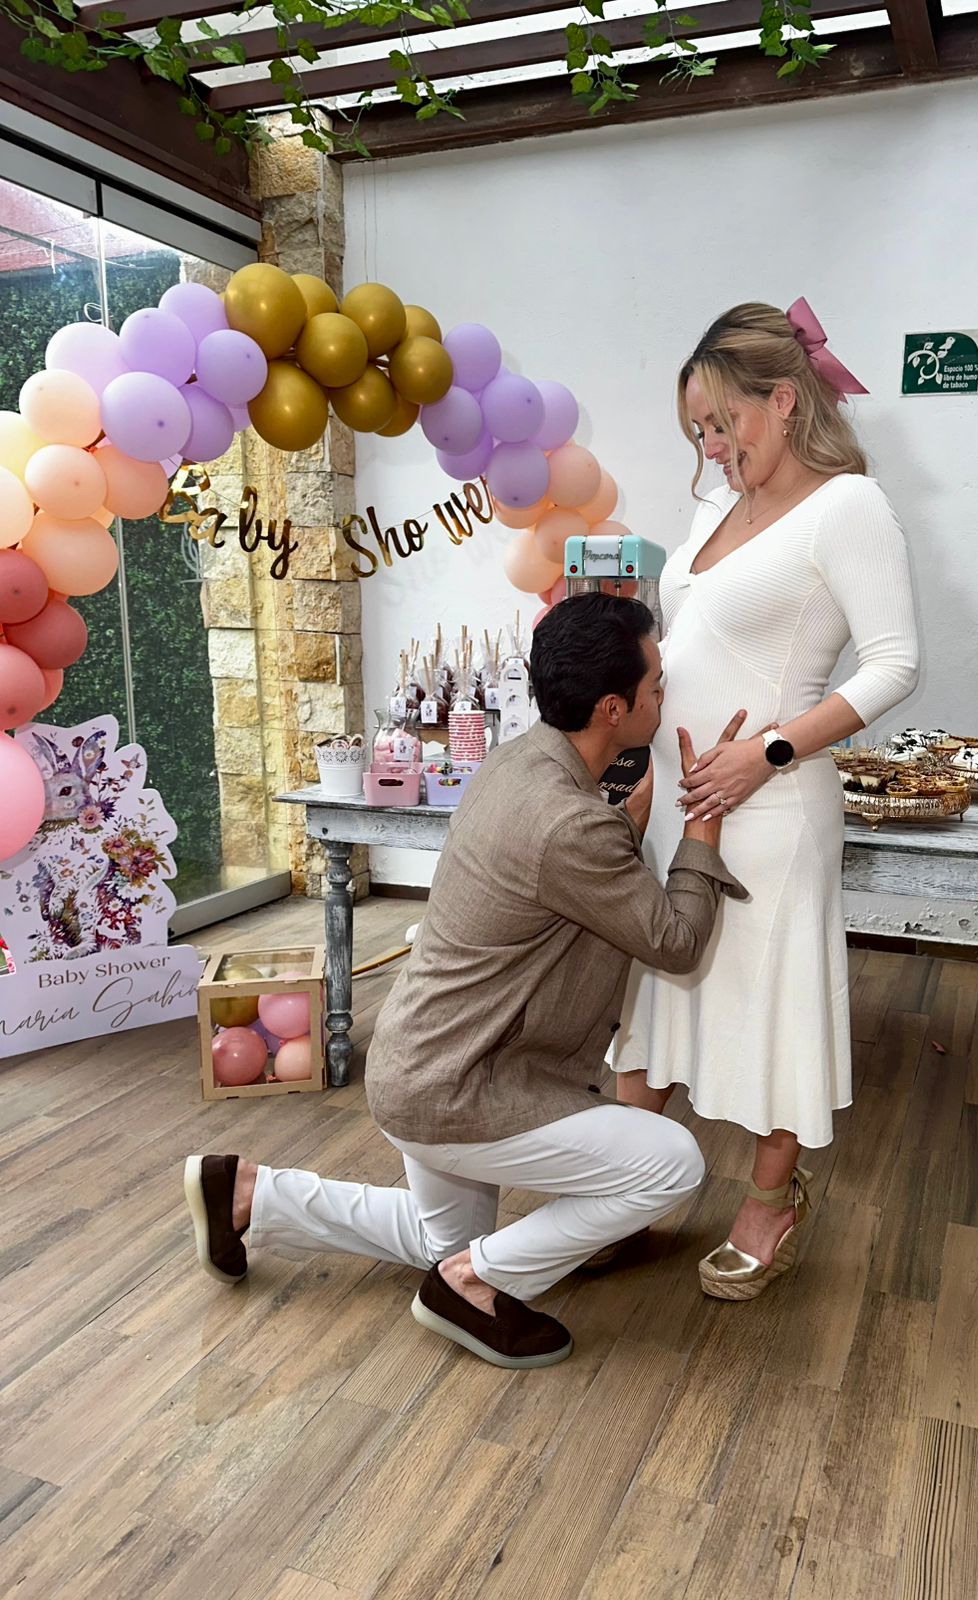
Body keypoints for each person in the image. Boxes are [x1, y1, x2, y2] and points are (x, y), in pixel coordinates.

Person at [184, 593, 747, 1370]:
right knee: (672, 1162)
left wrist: (632, 818)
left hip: (415, 1065)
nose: (664, 696)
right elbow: (676, 943)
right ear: (614, 709)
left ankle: (251, 1194)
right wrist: (703, 828)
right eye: (656, 685)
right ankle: (475, 1287)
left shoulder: (516, 762)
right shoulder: (572, 823)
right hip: (460, 1088)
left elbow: (568, 864)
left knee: (441, 1239)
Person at [613, 299, 920, 1301]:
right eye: (697, 429)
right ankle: (619, 1188)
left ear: (783, 401)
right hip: (679, 803)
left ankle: (771, 1202)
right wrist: (651, 779)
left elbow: (895, 664)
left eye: (723, 422)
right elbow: (686, 653)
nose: (710, 446)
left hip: (773, 809)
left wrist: (770, 751)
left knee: (770, 1007)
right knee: (660, 993)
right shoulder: (713, 508)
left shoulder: (848, 507)